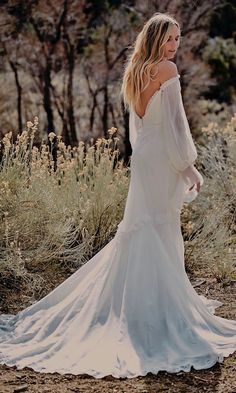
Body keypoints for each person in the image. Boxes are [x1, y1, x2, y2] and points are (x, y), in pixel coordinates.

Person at [0, 12, 235, 380]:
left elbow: (137, 129)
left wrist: (156, 157)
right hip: (161, 158)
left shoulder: (135, 71)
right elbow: (176, 125)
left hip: (145, 158)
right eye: (171, 38)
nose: (176, 46)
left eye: (178, 39)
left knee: (145, 228)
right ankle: (158, 310)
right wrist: (188, 165)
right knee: (158, 227)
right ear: (156, 39)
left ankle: (144, 306)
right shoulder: (167, 71)